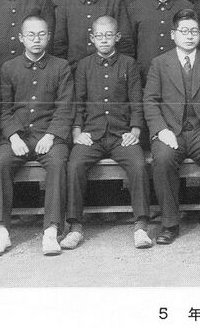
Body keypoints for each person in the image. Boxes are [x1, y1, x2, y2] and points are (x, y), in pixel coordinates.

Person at [0, 15, 74, 256]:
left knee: (57, 163)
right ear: (21, 38)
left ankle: (51, 231)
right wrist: (13, 137)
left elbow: (65, 108)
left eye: (41, 34)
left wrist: (51, 136)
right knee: (1, 162)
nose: (36, 40)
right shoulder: (9, 68)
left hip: (49, 135)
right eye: (31, 35)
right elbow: (4, 109)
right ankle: (1, 232)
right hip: (18, 135)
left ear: (49, 37)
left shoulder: (61, 67)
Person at [63, 16, 152, 250]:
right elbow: (78, 103)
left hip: (121, 134)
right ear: (92, 38)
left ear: (117, 37)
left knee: (138, 165)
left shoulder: (129, 64)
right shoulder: (84, 66)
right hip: (91, 134)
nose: (104, 40)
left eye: (109, 35)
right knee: (75, 165)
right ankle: (75, 227)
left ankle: (141, 226)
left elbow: (136, 101)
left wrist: (135, 130)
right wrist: (77, 132)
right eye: (99, 36)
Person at [144, 9, 200, 244]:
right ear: (173, 34)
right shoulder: (159, 64)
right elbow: (150, 102)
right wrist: (161, 130)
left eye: (194, 31)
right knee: (163, 159)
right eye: (184, 31)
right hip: (171, 130)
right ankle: (169, 224)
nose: (189, 36)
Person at [124, 0, 193, 79]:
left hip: (178, 75)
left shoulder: (187, 8)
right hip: (145, 74)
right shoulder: (135, 8)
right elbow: (130, 45)